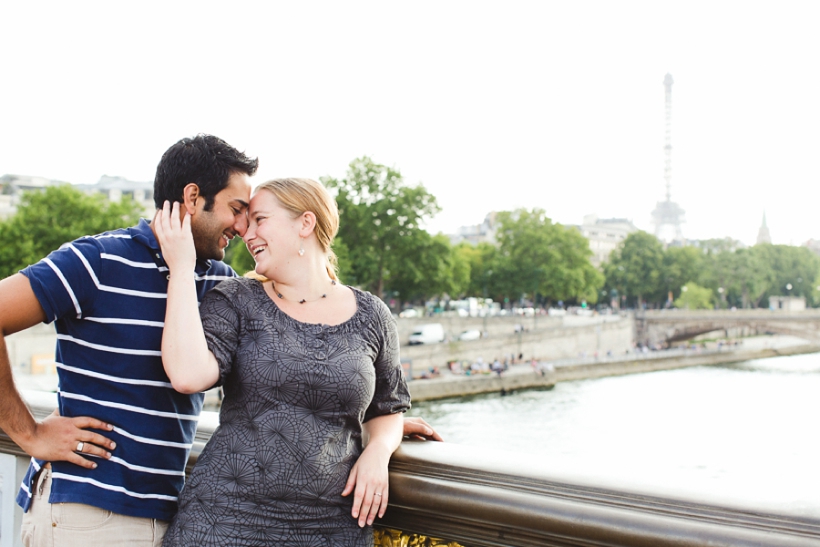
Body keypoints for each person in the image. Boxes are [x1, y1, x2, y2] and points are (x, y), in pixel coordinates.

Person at [0, 135, 439, 547]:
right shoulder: (96, 261)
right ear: (193, 199)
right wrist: (30, 433)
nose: (243, 227)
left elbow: (300, 360)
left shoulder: (217, 280)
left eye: (254, 216)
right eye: (237, 208)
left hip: (172, 509)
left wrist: (373, 431)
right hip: (90, 512)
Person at [154, 177, 411, 546]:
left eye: (259, 219)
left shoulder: (373, 315)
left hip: (331, 528)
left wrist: (378, 451)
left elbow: (387, 409)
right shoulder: (236, 299)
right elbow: (187, 375)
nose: (246, 231)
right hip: (223, 524)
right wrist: (181, 268)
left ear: (305, 223)